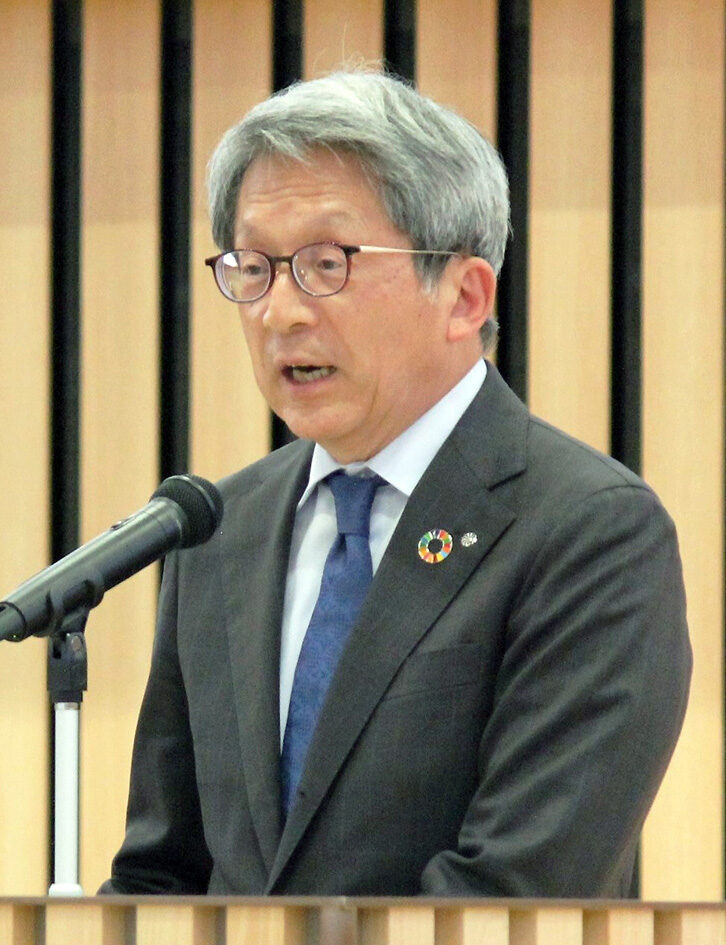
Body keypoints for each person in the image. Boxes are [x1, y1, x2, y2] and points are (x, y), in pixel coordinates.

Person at [101, 69, 690, 897]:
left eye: (326, 263)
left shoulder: (588, 531)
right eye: (255, 266)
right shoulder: (219, 530)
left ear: (464, 295)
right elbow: (162, 877)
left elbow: (516, 895)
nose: (279, 312)